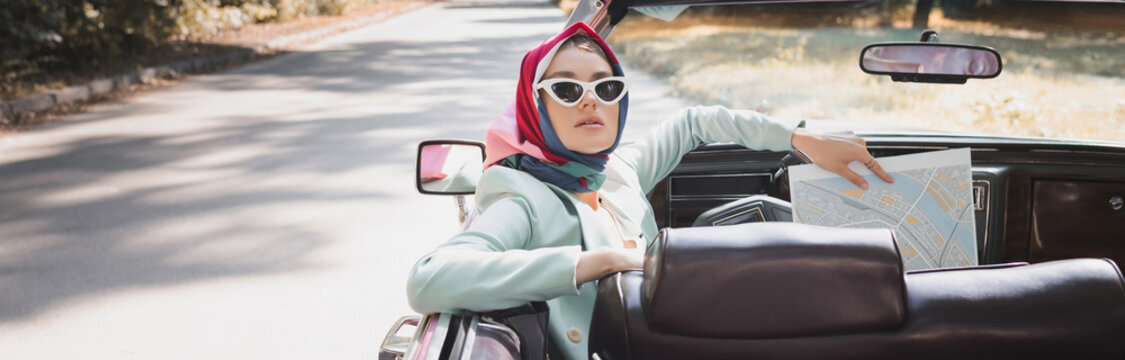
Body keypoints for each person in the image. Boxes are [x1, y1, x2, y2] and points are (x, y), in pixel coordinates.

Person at [406, 22, 894, 360]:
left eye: (607, 87)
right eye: (567, 90)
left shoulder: (617, 169)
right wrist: (593, 263)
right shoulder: (522, 197)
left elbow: (696, 121)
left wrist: (799, 138)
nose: (592, 101)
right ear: (536, 106)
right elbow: (429, 279)